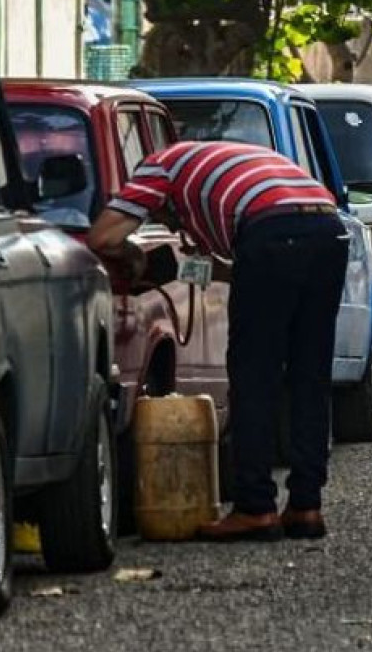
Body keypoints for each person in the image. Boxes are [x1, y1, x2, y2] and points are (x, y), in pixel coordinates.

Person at [86, 141, 349, 541]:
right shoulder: (226, 164)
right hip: (328, 230)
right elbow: (243, 270)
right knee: (308, 375)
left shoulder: (160, 167)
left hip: (272, 231)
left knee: (253, 376)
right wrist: (178, 269)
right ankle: (306, 506)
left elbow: (103, 237)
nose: (172, 228)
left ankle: (255, 508)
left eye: (161, 217)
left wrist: (134, 259)